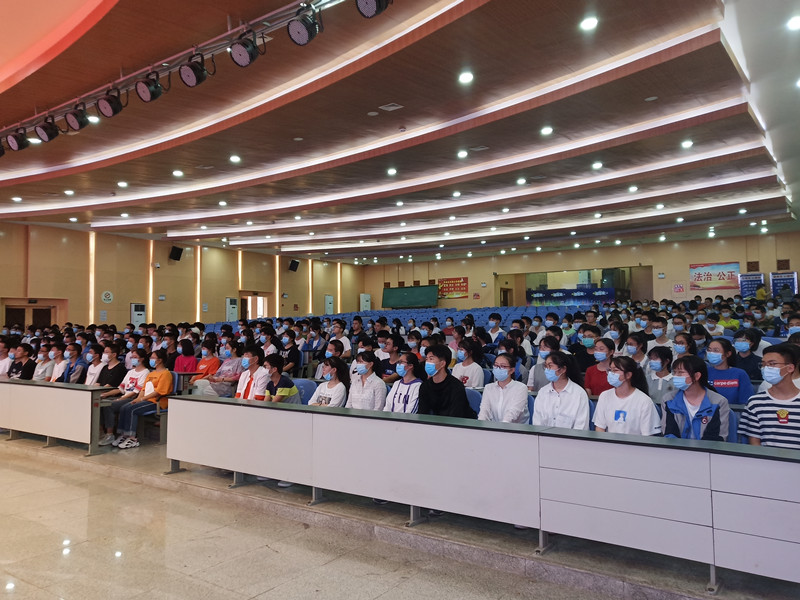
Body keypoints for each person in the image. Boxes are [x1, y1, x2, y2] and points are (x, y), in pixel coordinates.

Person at [740, 344, 800, 448]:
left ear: (790, 368)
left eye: (772, 364)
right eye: (763, 364)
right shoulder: (755, 403)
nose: (766, 368)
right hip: (766, 457)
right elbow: (754, 443)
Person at [115, 350, 174, 449]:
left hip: (157, 402)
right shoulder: (151, 374)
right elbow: (143, 389)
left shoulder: (166, 374)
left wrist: (142, 399)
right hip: (146, 399)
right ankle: (124, 434)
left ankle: (132, 438)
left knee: (131, 409)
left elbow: (158, 392)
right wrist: (138, 399)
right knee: (124, 407)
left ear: (160, 360)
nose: (151, 360)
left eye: (153, 358)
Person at [662, 355, 730, 441]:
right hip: (676, 448)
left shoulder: (719, 402)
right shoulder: (669, 400)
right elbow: (669, 433)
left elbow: (716, 438)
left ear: (697, 376)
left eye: (680, 372)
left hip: (707, 449)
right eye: (674, 372)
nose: (675, 376)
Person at [593, 356, 661, 436]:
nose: (611, 373)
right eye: (610, 370)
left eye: (615, 370)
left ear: (628, 375)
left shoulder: (644, 401)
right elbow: (599, 428)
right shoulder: (604, 396)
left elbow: (647, 436)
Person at [99, 348, 149, 446]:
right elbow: (121, 388)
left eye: (135, 357)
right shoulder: (130, 372)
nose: (133, 359)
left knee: (109, 405)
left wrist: (121, 399)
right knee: (100, 402)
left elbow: (135, 392)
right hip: (123, 396)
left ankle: (110, 434)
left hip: (132, 398)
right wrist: (105, 394)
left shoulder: (145, 372)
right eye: (132, 357)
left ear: (142, 359)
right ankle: (101, 432)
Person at [531, 351, 590, 430]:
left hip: (572, 437)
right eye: (546, 366)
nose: (547, 370)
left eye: (550, 366)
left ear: (563, 369)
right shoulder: (543, 392)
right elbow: (537, 422)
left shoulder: (579, 393)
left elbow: (581, 427)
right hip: (544, 436)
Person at [418, 345, 476, 418]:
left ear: (442, 363)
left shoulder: (456, 386)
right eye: (427, 359)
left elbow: (456, 415)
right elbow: (422, 413)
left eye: (431, 359)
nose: (427, 362)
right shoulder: (425, 386)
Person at [477, 353, 529, 424]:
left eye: (503, 366)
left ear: (511, 370)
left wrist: (502, 427)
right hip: (493, 427)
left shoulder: (521, 388)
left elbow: (514, 412)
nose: (498, 369)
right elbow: (484, 410)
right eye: (496, 365)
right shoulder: (488, 388)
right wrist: (480, 425)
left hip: (515, 428)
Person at [705, 338, 754, 405]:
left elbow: (746, 401)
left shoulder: (740, 374)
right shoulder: (704, 372)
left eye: (716, 350)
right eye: (709, 350)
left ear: (728, 354)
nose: (711, 353)